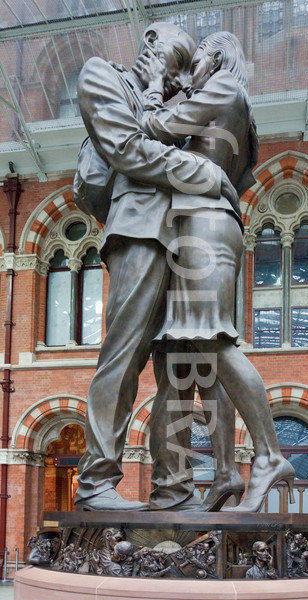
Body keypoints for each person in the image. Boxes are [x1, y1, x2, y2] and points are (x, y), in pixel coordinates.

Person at [74, 22, 238, 511]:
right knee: (123, 357)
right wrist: (205, 174)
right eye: (180, 57)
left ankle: (174, 490)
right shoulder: (102, 75)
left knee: (182, 370)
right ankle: (96, 484)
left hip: (189, 238)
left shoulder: (170, 99)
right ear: (149, 43)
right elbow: (126, 148)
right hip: (141, 229)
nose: (185, 74)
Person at [141, 31, 295, 512]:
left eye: (199, 57)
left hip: (203, 229)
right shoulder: (232, 106)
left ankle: (269, 456)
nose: (193, 68)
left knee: (213, 340)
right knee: (200, 353)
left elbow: (153, 126)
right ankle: (227, 470)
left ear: (220, 56)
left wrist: (152, 87)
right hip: (201, 227)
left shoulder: (224, 87)